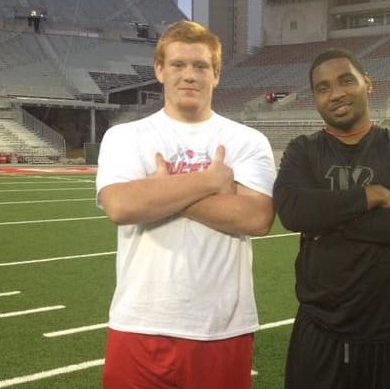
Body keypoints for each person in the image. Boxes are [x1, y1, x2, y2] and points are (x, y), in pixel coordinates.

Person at [96, 20, 276, 389]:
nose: (189, 75)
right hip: (140, 323)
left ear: (217, 74)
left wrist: (160, 192)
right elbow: (120, 206)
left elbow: (257, 217)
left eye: (200, 66)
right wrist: (209, 182)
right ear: (160, 70)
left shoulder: (247, 140)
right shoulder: (125, 136)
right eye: (178, 65)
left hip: (222, 327)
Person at [273, 48, 390, 389]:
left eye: (345, 80)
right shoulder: (302, 150)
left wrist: (324, 219)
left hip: (388, 332)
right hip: (319, 329)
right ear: (315, 99)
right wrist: (372, 195)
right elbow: (292, 211)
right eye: (322, 88)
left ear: (368, 83)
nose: (335, 93)